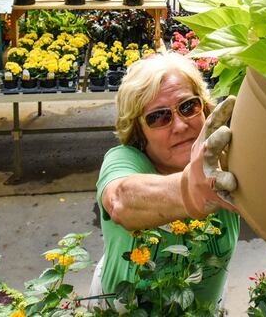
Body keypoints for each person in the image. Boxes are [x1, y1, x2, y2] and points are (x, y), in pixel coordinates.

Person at [90, 52, 239, 311]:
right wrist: (192, 189)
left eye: (188, 107)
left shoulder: (229, 158)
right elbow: (120, 201)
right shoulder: (124, 159)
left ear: (204, 108)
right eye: (158, 117)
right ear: (138, 130)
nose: (180, 125)